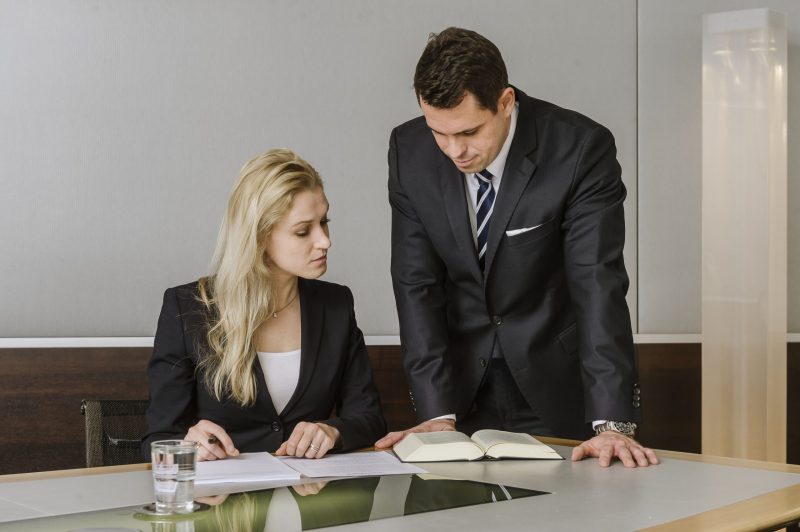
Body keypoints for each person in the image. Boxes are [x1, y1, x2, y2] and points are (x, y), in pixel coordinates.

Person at [375, 27, 658, 467]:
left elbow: (597, 283)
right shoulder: (408, 151)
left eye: (468, 132)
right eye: (439, 133)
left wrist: (612, 423)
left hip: (558, 382)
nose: (454, 151)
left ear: (506, 102)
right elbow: (416, 284)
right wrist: (435, 413)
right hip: (460, 388)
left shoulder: (580, 148)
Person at [142, 149, 386, 461]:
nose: (325, 240)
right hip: (223, 503)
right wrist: (189, 444)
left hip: (310, 497)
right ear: (259, 237)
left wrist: (333, 431)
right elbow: (158, 438)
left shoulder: (335, 305)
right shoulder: (188, 308)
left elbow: (370, 419)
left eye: (324, 222)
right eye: (303, 231)